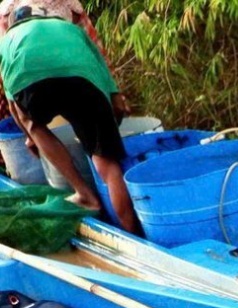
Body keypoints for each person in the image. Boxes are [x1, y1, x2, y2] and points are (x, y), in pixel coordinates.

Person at [0, 15, 139, 232]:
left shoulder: (7, 39)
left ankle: (84, 194)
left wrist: (30, 135)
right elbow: (107, 79)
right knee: (107, 163)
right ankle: (133, 234)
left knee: (33, 125)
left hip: (31, 81)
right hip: (83, 80)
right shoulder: (70, 28)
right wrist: (110, 115)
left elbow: (13, 104)